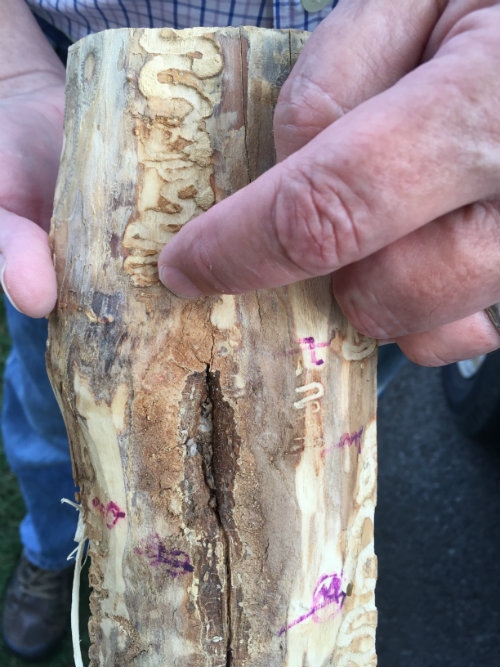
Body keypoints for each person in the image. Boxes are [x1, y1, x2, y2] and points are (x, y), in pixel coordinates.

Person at [0, 0, 498, 660]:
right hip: (82, 118)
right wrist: (14, 75)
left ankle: (320, 565)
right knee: (64, 407)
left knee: (318, 429)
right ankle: (49, 544)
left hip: (393, 141)